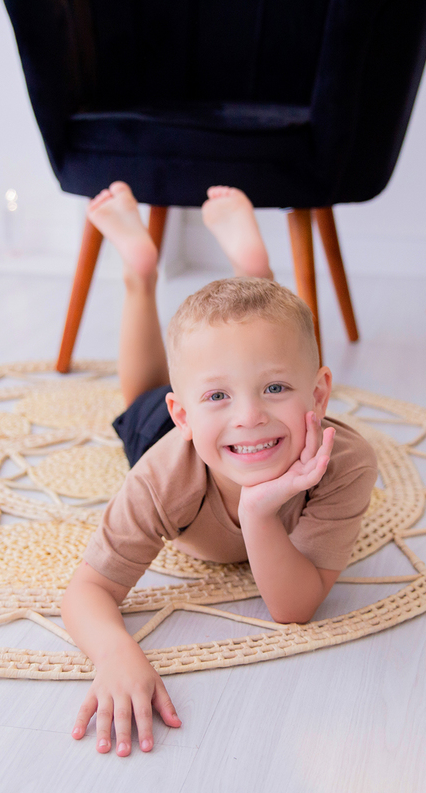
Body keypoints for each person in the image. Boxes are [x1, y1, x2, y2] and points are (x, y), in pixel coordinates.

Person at [61, 182, 378, 757]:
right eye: (217, 397)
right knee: (141, 395)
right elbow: (88, 589)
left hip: (218, 441)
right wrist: (116, 654)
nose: (250, 417)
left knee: (257, 339)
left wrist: (257, 512)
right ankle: (140, 272)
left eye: (276, 389)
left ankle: (254, 277)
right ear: (183, 415)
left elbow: (294, 608)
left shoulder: (346, 463)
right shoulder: (163, 474)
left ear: (320, 393)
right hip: (183, 446)